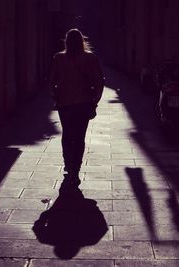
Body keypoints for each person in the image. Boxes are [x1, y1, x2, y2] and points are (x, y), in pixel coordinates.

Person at [49, 28, 104, 187]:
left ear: (66, 41)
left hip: (64, 104)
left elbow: (51, 82)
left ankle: (68, 164)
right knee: (79, 138)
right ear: (82, 41)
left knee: (67, 135)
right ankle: (75, 170)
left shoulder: (58, 58)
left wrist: (55, 97)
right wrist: (95, 101)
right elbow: (99, 82)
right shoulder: (90, 58)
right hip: (83, 104)